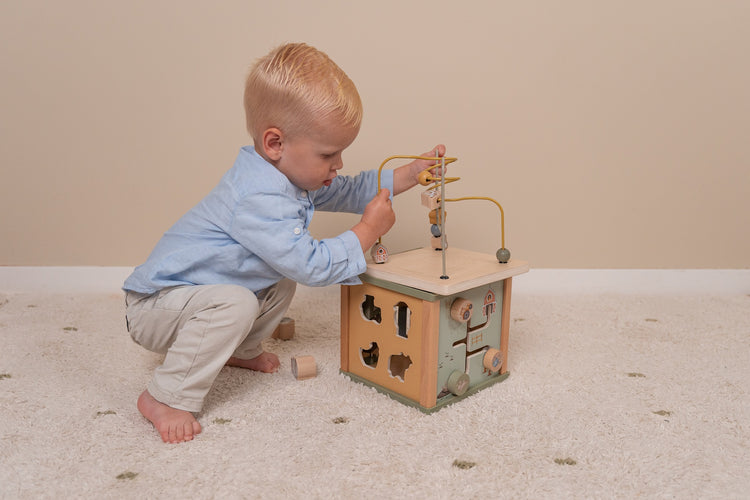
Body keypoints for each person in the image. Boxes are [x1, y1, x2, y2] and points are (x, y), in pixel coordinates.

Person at [123, 42, 446, 443]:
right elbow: (310, 265)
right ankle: (166, 397)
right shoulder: (257, 197)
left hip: (197, 297)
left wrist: (409, 174)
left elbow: (348, 190)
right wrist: (367, 230)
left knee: (278, 279)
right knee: (243, 298)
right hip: (157, 306)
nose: (338, 164)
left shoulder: (290, 178)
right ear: (275, 144)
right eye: (329, 154)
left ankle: (240, 350)